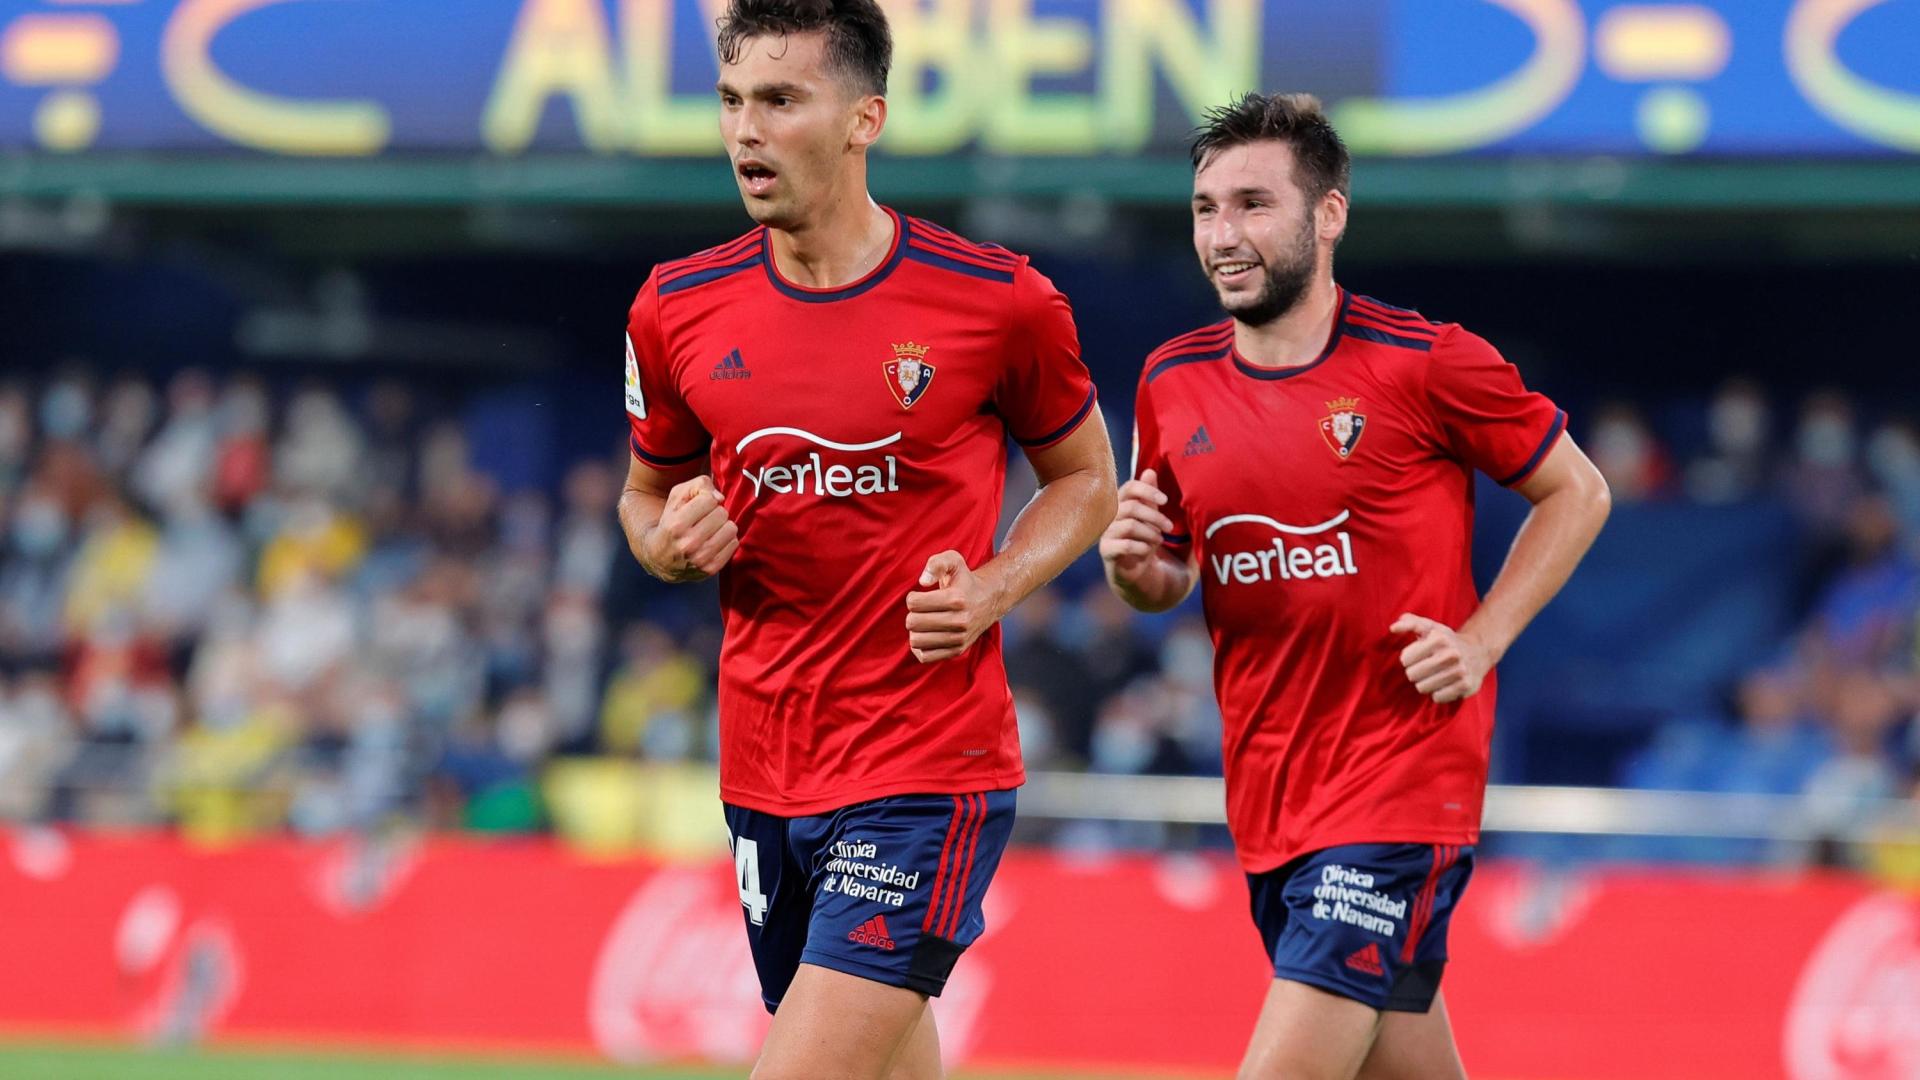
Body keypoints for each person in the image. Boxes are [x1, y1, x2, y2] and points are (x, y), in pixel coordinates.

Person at [614, 2, 1116, 1076]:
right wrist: (665, 542)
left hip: (926, 764)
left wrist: (995, 585)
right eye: (732, 101)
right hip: (763, 763)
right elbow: (643, 497)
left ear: (863, 119)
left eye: (782, 101)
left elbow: (1086, 480)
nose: (747, 131)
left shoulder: (998, 302)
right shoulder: (674, 309)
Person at [1101, 92, 1611, 1080]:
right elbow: (1166, 579)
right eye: (1205, 208)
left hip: (1397, 792)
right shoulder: (1173, 380)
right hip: (1270, 795)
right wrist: (1137, 571)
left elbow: (1577, 493)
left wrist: (1483, 638)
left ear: (1328, 216)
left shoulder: (1426, 364)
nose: (1223, 234)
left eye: (1253, 204)